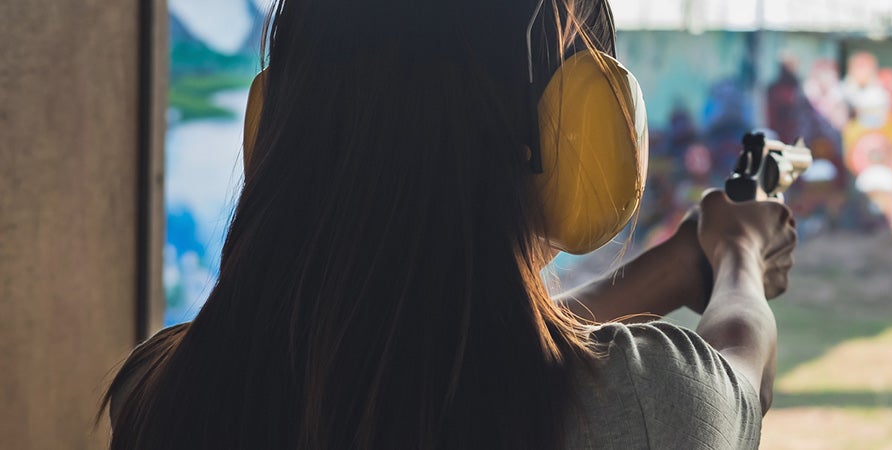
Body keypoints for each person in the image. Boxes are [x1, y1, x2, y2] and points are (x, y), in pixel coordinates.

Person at [100, 0, 796, 449]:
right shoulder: (650, 405)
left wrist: (669, 270)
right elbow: (740, 367)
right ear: (567, 133)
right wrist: (736, 247)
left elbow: (428, 355)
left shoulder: (160, 392)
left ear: (276, 134)